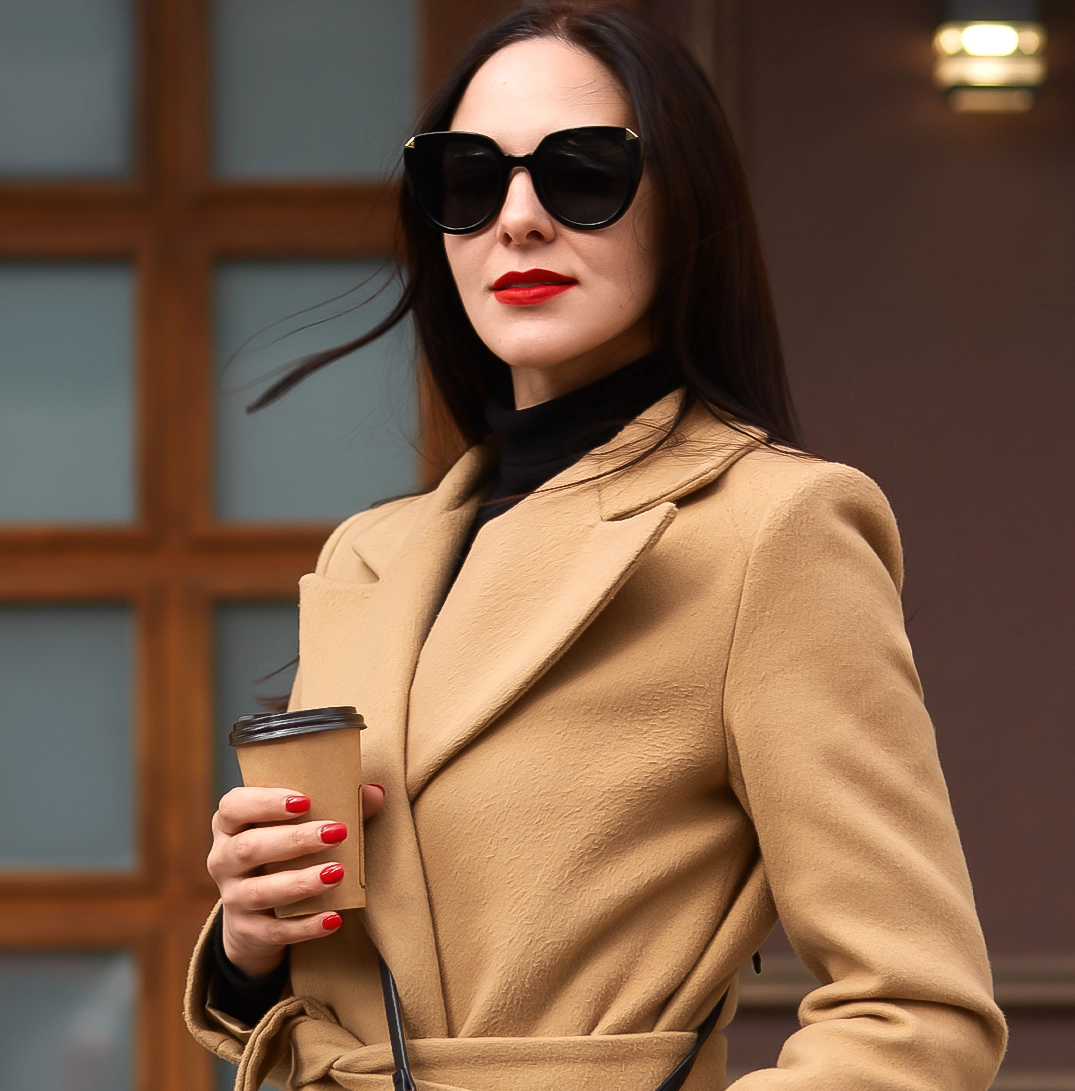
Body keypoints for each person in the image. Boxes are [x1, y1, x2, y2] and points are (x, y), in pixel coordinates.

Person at [185, 5, 1008, 1091]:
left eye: (579, 175)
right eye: (468, 181)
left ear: (684, 208)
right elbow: (347, 983)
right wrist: (251, 939)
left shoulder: (771, 530)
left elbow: (916, 1012)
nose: (516, 219)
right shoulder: (368, 554)